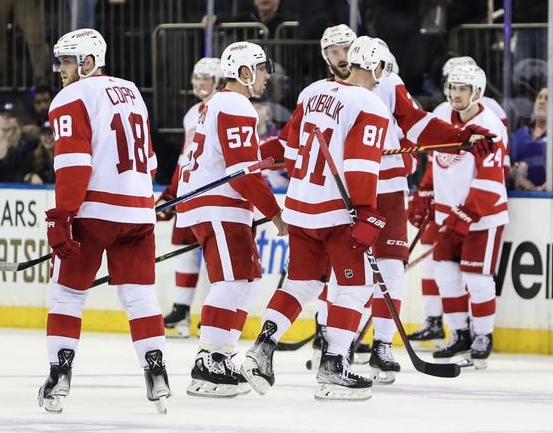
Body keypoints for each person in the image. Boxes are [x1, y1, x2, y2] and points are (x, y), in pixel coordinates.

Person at [241, 36, 393, 402]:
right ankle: (334, 365)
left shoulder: (313, 92)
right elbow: (359, 164)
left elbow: (292, 151)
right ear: (376, 68)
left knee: (302, 283)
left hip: (300, 205)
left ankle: (262, 347)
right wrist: (368, 213)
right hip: (338, 213)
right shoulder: (369, 103)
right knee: (356, 288)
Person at [38, 28, 170, 414]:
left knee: (67, 294)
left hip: (93, 213)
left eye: (67, 61)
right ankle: (157, 373)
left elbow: (75, 164)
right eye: (59, 61)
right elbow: (150, 161)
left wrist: (62, 215)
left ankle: (59, 377)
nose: (60, 69)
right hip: (138, 211)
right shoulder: (131, 91)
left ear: (89, 62)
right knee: (140, 296)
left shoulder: (71, 97)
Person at [175, 41, 287, 398]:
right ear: (243, 72)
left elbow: (244, 159)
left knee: (246, 279)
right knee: (232, 280)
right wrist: (275, 211)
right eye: (261, 68)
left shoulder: (217, 105)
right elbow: (241, 171)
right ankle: (209, 359)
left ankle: (220, 355)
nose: (267, 76)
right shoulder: (236, 104)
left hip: (213, 203)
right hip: (218, 204)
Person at [406, 55, 509, 348]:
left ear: (477, 92)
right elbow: (436, 164)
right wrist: (425, 195)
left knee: (477, 277)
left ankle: (483, 336)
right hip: (448, 217)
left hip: (483, 217)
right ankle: (459, 333)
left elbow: (490, 180)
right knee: (445, 272)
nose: (456, 94)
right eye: (453, 87)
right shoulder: (441, 120)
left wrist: (464, 215)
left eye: (463, 88)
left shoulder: (488, 126)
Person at [159, 57, 225, 338]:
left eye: (206, 78)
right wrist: (171, 195)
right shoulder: (192, 114)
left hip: (214, 193)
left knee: (213, 257)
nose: (200, 83)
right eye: (197, 77)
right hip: (190, 191)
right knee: (184, 248)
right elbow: (186, 158)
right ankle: (181, 309)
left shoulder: (225, 108)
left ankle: (210, 313)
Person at [510, 88, 553, 191]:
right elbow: (508, 164)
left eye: (547, 99)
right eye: (539, 97)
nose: (541, 101)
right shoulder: (518, 135)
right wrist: (513, 174)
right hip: (520, 199)